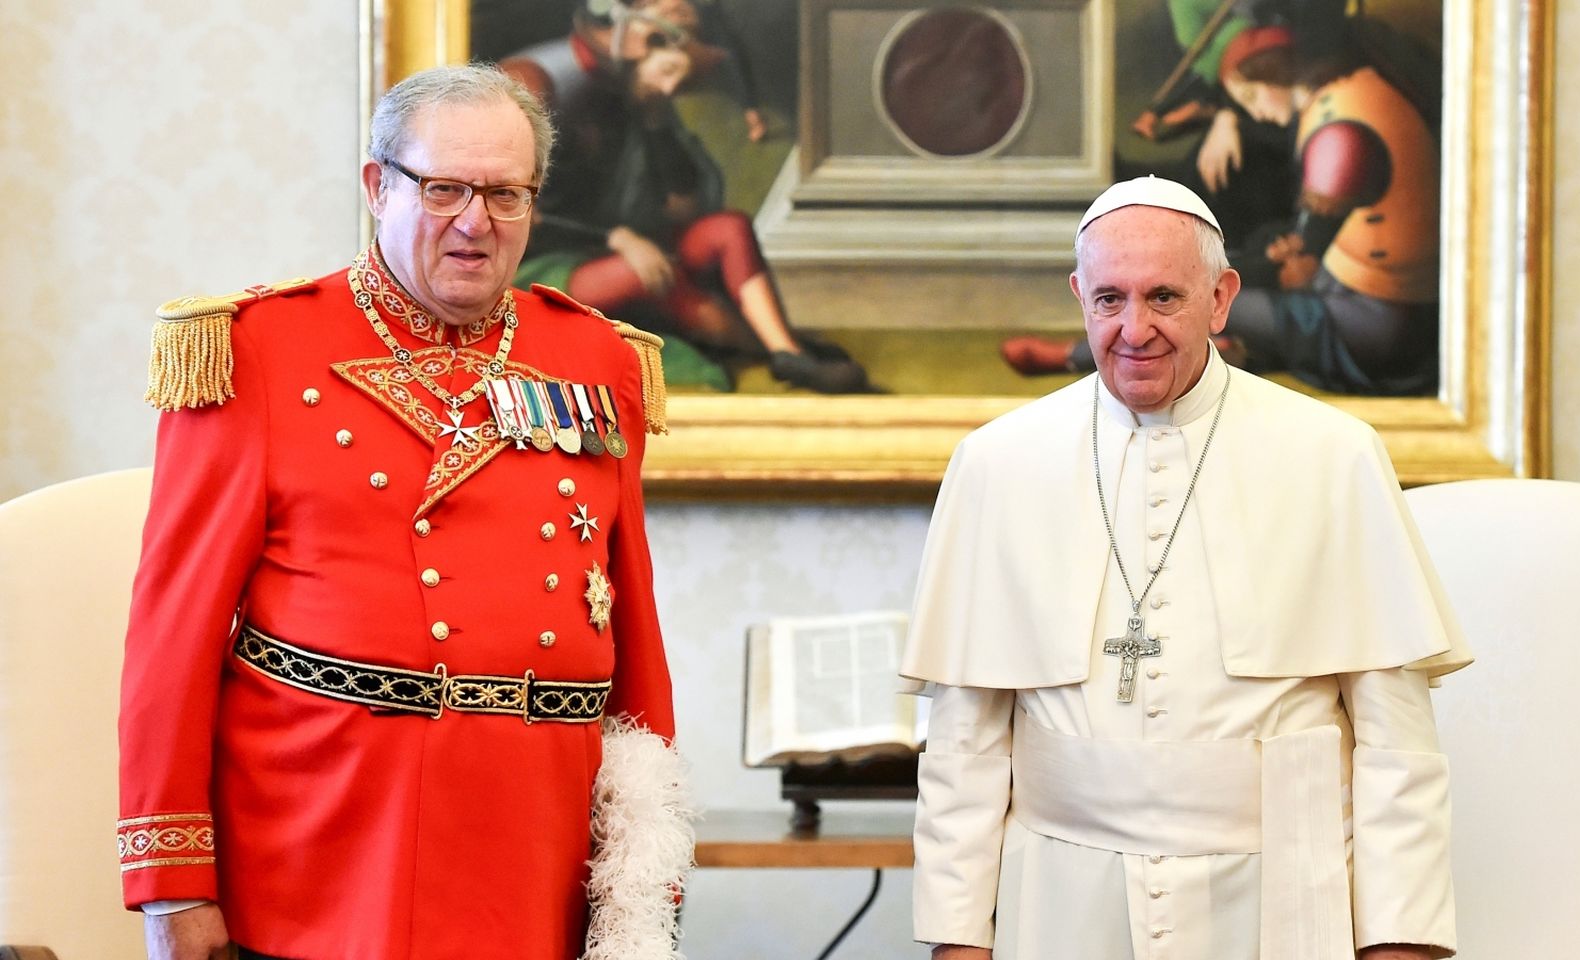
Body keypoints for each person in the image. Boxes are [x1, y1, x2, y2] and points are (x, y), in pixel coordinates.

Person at [118, 65, 691, 960]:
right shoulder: (254, 350)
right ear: (377, 185)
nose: (475, 220)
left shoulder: (596, 356)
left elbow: (631, 619)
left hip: (539, 840)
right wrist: (171, 883)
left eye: (505, 193)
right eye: (444, 187)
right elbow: (174, 633)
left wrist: (645, 867)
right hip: (328, 843)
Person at [901, 175, 1470, 959]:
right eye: (1109, 299)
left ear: (1222, 297)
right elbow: (963, 747)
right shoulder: (998, 463)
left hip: (1282, 901)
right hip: (1061, 902)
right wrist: (957, 940)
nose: (1134, 329)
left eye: (1164, 297)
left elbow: (1396, 745)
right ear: (1079, 296)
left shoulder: (1333, 456)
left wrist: (1399, 943)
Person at [500, 0, 871, 394]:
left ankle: (783, 349)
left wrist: (658, 129)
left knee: (727, 228)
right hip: (546, 264)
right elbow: (515, 209)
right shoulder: (540, 81)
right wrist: (617, 239)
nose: (673, 86)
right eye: (669, 70)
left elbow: (685, 208)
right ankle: (775, 350)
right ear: (640, 41)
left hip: (621, 246)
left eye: (681, 78)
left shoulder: (640, 99)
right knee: (655, 275)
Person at [1216, 24, 1441, 395]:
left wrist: (1247, 270)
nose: (1255, 113)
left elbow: (1302, 265)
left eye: (1253, 95)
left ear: (1276, 72)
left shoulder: (1338, 130)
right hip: (1368, 297)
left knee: (1202, 304)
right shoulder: (1353, 92)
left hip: (1377, 325)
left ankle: (1086, 358)